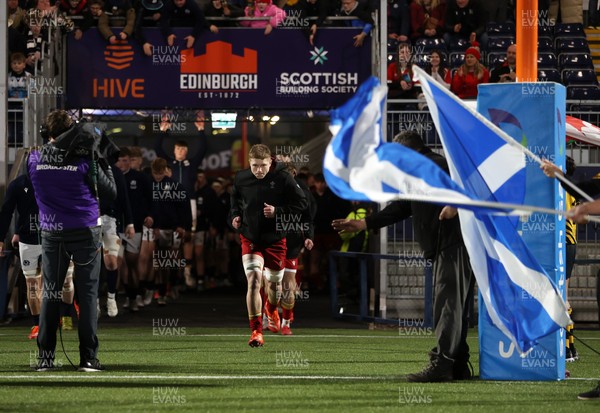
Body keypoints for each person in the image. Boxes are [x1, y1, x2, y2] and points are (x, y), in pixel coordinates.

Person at [332, 131, 474, 383]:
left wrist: (457, 204)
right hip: (446, 247)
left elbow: (471, 186)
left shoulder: (437, 165)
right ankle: (458, 365)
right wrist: (365, 223)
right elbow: (403, 206)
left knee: (448, 306)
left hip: (453, 246)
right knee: (453, 307)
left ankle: (443, 364)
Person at [28, 109, 117, 372]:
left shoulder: (33, 159)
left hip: (51, 232)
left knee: (51, 294)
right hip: (85, 229)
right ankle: (88, 358)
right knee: (88, 295)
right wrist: (100, 158)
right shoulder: (85, 160)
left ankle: (45, 357)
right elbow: (110, 193)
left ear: (48, 133)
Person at [229, 144, 307, 347]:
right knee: (254, 281)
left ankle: (271, 310)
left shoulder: (283, 177)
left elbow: (301, 203)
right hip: (251, 238)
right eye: (255, 166)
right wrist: (235, 216)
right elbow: (234, 200)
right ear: (249, 163)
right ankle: (256, 331)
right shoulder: (241, 178)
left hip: (275, 240)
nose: (259, 170)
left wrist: (278, 212)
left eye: (263, 165)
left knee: (274, 288)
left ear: (270, 162)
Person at [0, 173, 44, 339]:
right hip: (28, 240)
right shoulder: (18, 184)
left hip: (52, 239)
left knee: (50, 285)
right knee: (32, 286)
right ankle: (38, 324)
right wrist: (1, 238)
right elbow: (7, 211)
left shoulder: (55, 179)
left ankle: (54, 318)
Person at [115, 147, 154, 311]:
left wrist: (150, 215)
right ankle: (121, 296)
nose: (123, 163)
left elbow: (152, 198)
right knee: (117, 264)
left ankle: (135, 295)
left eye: (126, 160)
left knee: (133, 264)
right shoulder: (111, 177)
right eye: (121, 160)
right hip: (115, 226)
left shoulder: (141, 178)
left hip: (135, 226)